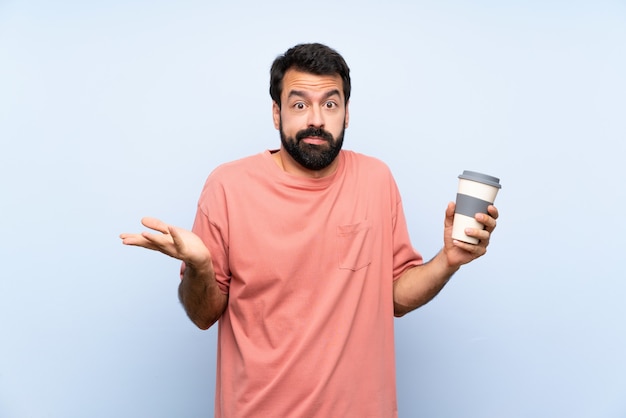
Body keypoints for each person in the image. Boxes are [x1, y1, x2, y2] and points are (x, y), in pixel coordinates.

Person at [120, 43, 498, 418]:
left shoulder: (376, 180)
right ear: (276, 113)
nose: (315, 119)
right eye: (299, 104)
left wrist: (449, 260)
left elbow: (394, 296)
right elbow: (203, 315)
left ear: (347, 114)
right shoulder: (227, 186)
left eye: (330, 104)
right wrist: (201, 265)